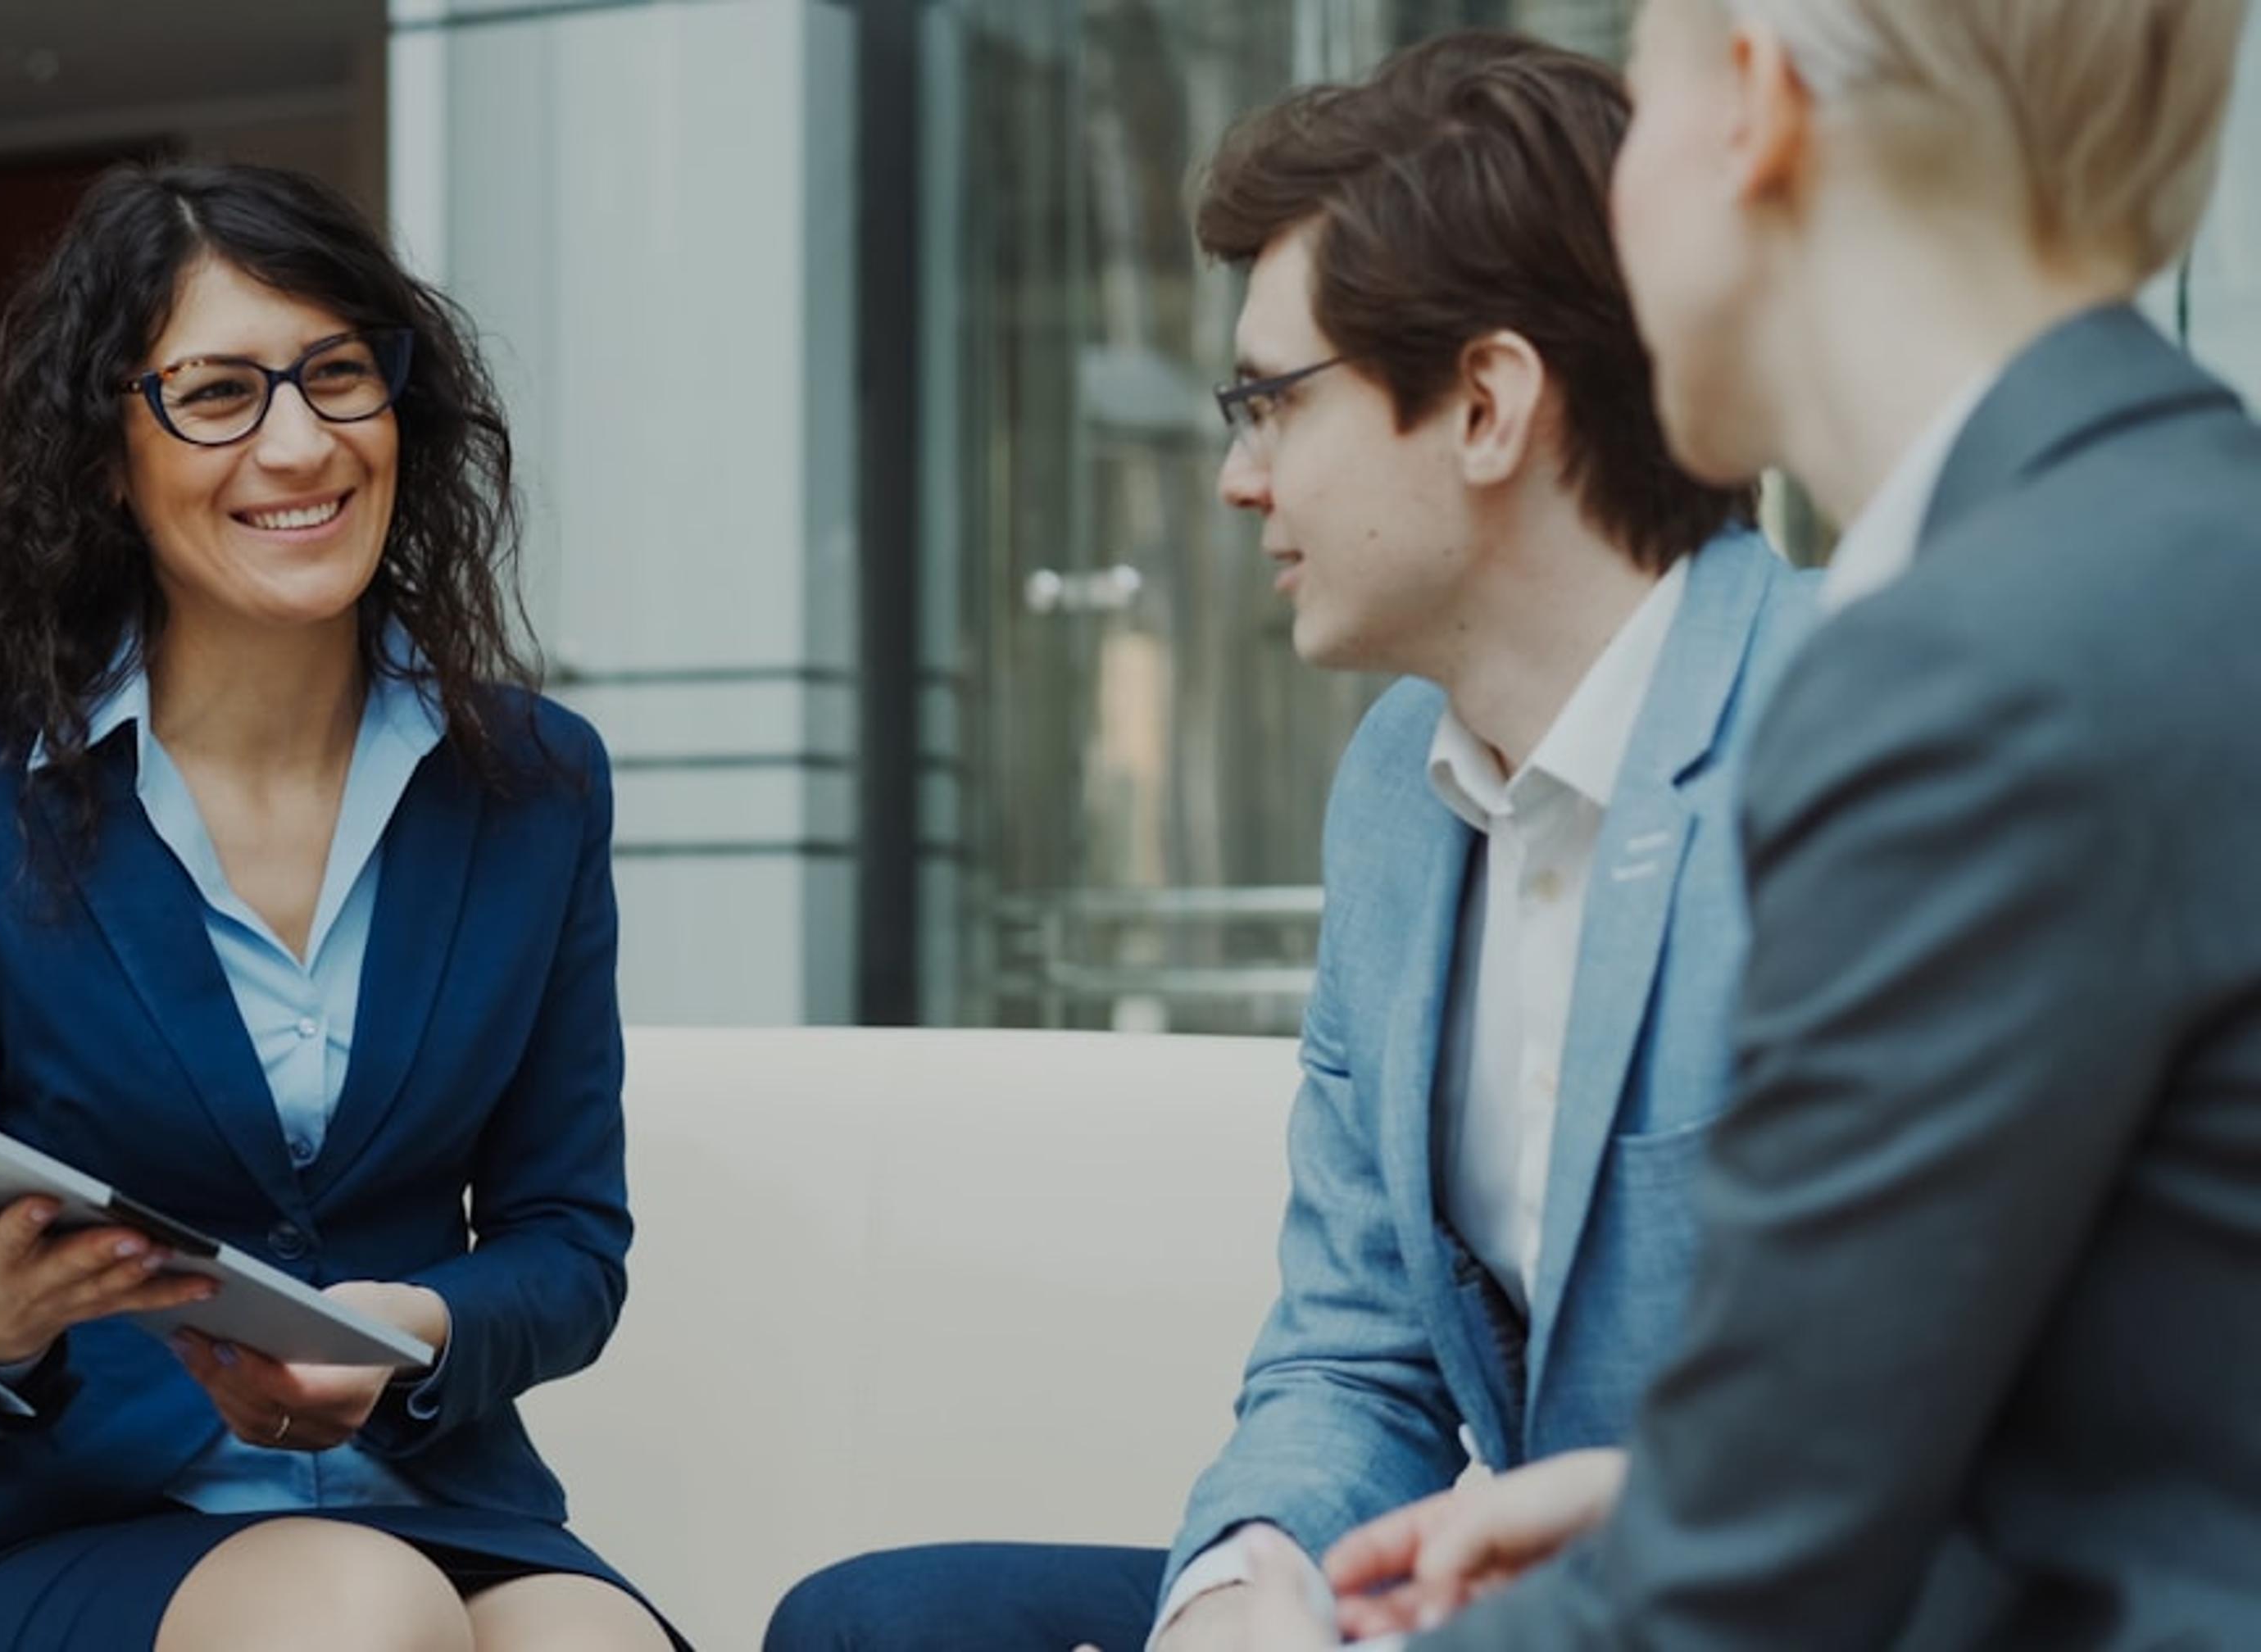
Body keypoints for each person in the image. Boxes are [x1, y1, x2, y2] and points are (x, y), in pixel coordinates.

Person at [764, 33, 1809, 1652]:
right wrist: (1240, 1591)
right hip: (1492, 1598)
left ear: (1485, 402)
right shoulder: (1401, 789)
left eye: (1268, 402)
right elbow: (1356, 1351)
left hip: (1748, 1603)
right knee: (880, 1625)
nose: (1238, 480)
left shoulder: (1854, 741)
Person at [1292, 1, 2261, 1646]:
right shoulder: (2162, 553)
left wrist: (1686, 1528)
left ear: (1750, 104)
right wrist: (1656, 1493)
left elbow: (1743, 1601)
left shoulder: (1977, 665)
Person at [0, 159, 678, 1652]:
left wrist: (413, 1333)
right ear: (107, 456)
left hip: (434, 1495)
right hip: (67, 1529)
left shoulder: (535, 783)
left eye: (338, 376)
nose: (299, 445)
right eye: (217, 396)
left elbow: (566, 1245)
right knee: (358, 1615)